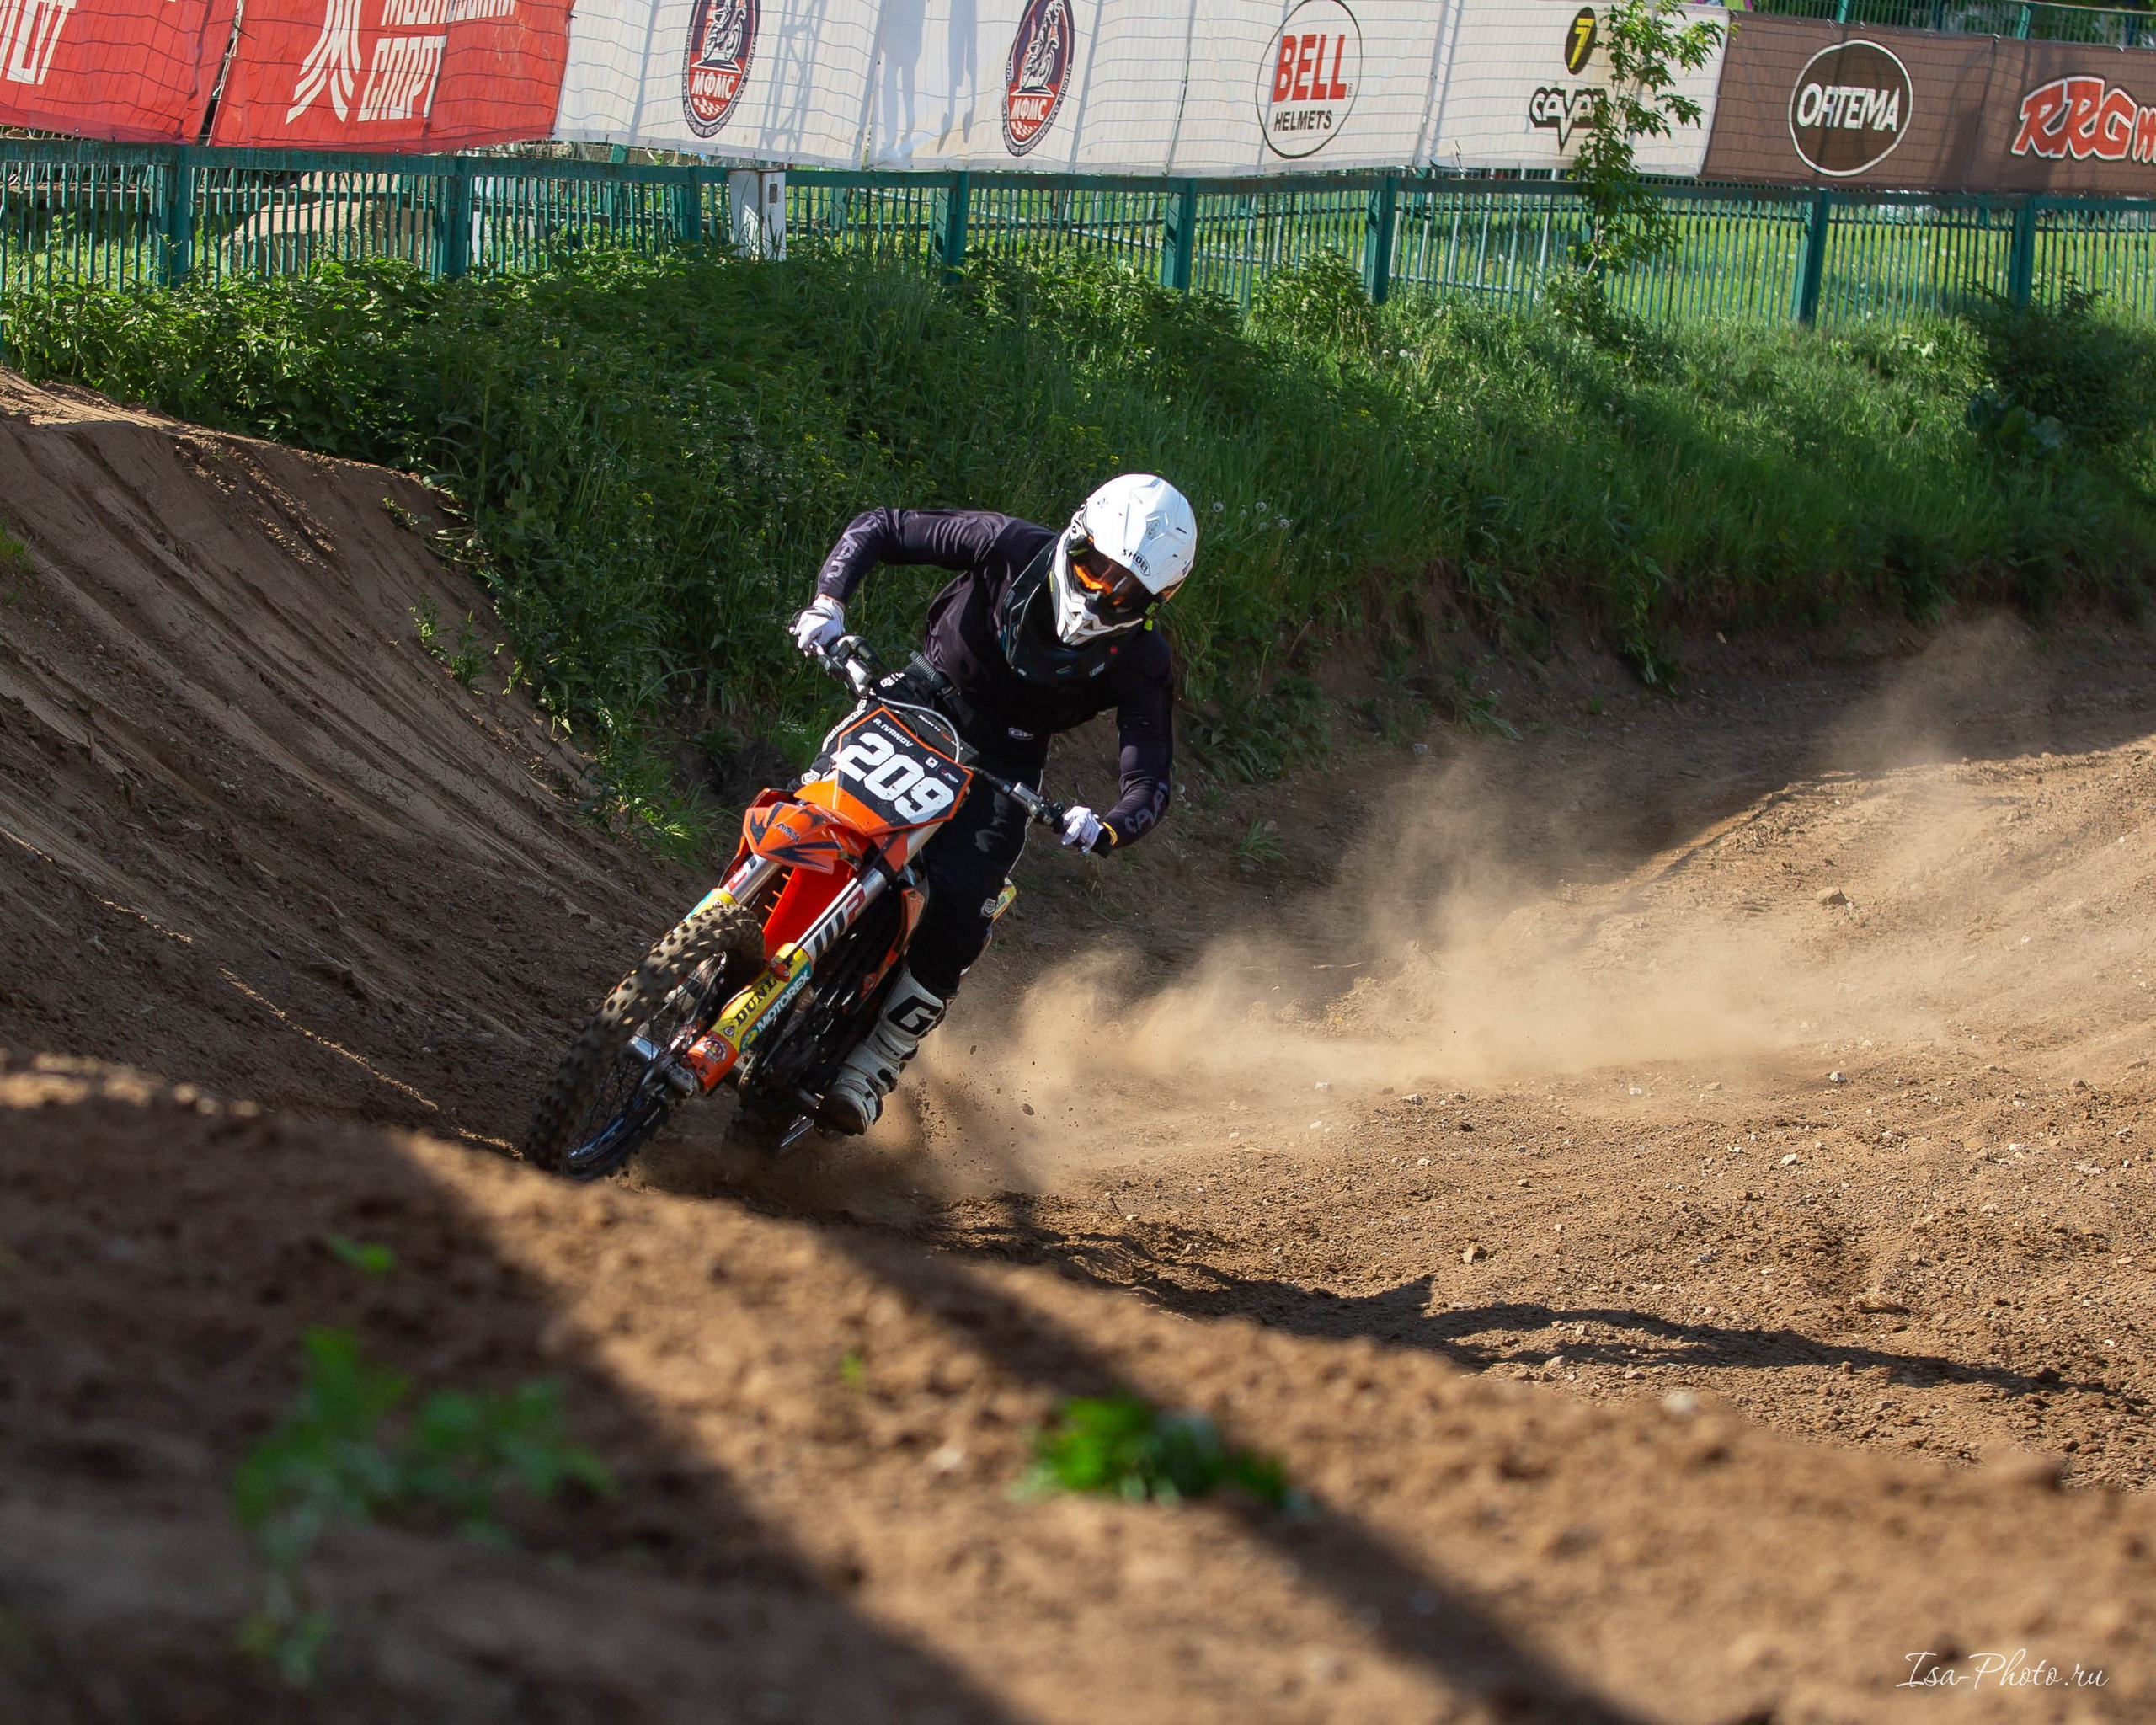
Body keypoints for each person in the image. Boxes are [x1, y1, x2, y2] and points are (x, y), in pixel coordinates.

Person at [789, 473, 1197, 1133]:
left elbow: (1149, 775)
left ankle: (877, 1062)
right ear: (1076, 535)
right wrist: (828, 603)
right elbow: (883, 525)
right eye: (1094, 569)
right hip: (920, 697)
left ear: (1157, 598)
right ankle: (745, 926)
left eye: (1123, 589)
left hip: (1006, 761)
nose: (1099, 593)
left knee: (966, 898)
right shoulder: (1007, 544)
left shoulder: (1143, 659)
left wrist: (1109, 829)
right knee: (815, 810)